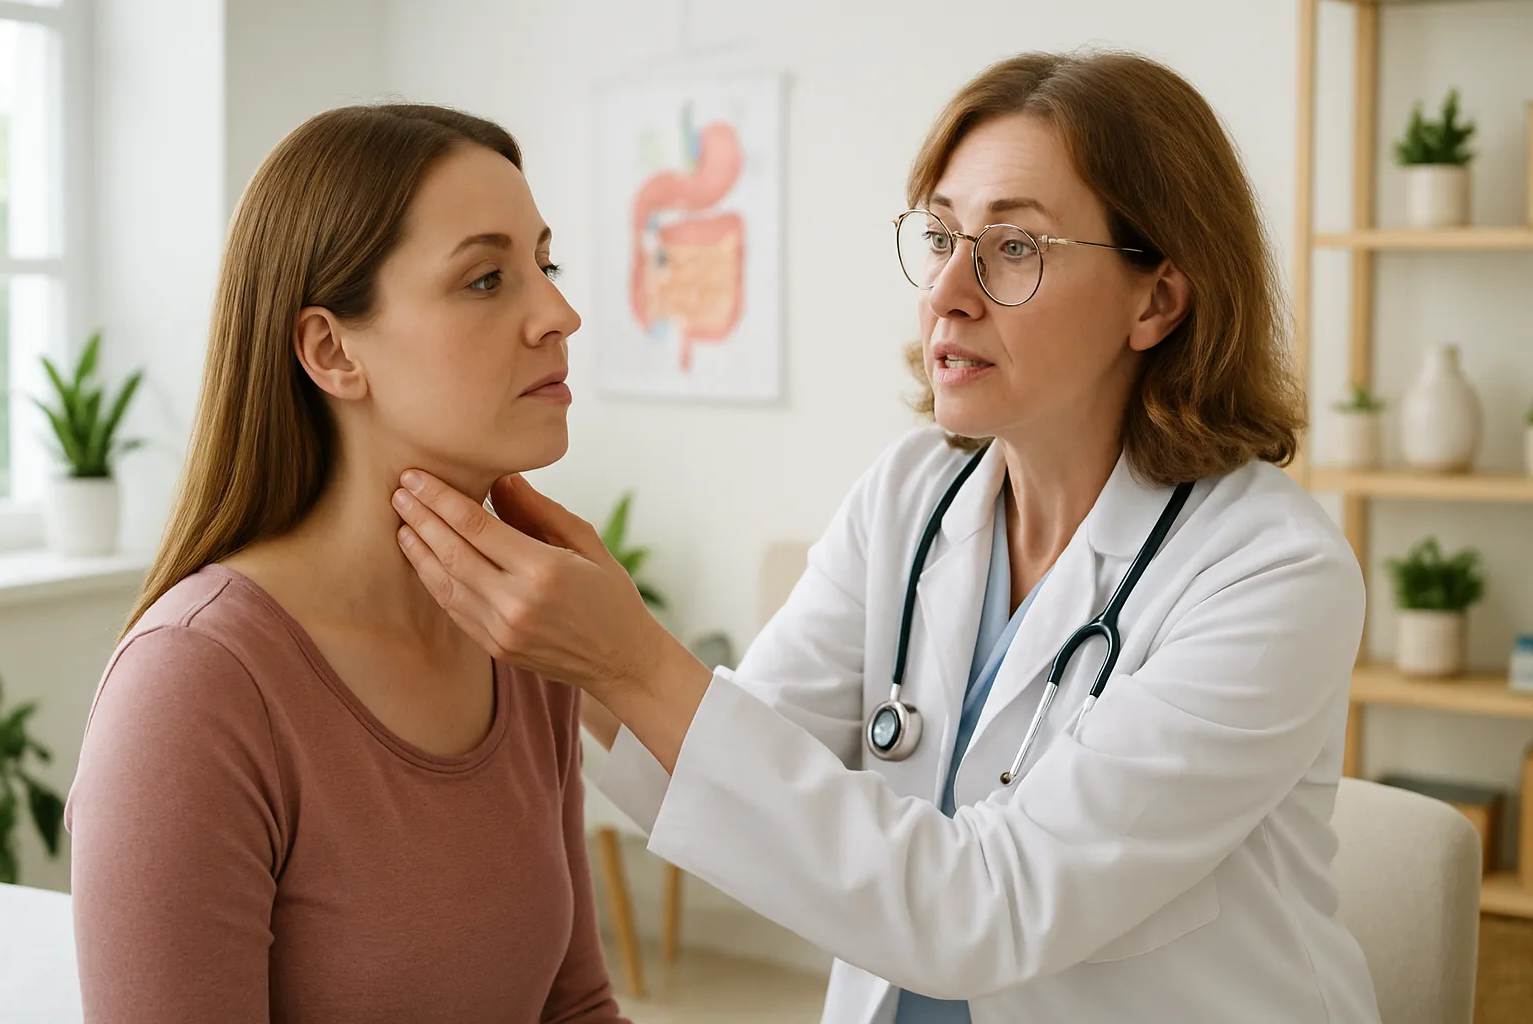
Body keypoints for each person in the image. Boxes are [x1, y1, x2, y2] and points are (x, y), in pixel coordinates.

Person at [391, 51, 1383, 1023]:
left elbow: (987, 909)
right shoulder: (915, 496)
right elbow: (748, 757)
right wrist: (584, 650)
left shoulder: (1271, 574)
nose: (948, 291)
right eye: (942, 236)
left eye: (1016, 247)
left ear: (1158, 298)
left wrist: (623, 659)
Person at [65, 104, 627, 1023]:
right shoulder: (194, 687)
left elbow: (573, 1006)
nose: (559, 313)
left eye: (545, 264)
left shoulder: (521, 630)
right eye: (488, 279)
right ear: (331, 351)